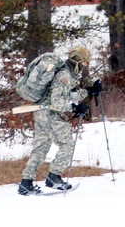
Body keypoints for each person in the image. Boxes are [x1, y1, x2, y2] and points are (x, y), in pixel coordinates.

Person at [18, 45, 95, 195]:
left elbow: (67, 95)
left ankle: (26, 183)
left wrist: (88, 91)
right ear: (78, 62)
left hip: (41, 113)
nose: (86, 65)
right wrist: (74, 108)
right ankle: (54, 177)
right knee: (67, 144)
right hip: (50, 115)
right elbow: (57, 102)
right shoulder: (64, 76)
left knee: (41, 147)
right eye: (85, 62)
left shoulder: (65, 73)